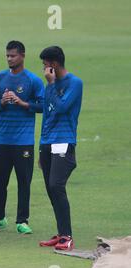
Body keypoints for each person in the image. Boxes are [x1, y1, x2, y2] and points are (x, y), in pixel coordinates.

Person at [0, 41, 45, 234]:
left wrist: (22, 102)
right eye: (7, 55)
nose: (9, 59)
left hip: (23, 140)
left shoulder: (33, 80)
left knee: (24, 181)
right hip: (1, 138)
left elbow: (42, 106)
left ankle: (22, 220)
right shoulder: (0, 78)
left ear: (22, 56)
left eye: (13, 56)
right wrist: (3, 101)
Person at [38, 46, 83, 251]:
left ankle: (67, 237)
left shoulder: (75, 83)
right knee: (51, 189)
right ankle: (61, 233)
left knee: (57, 185)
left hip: (64, 140)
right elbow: (47, 116)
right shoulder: (49, 86)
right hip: (48, 142)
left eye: (45, 64)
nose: (44, 69)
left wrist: (52, 84)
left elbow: (63, 108)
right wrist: (41, 147)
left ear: (54, 64)